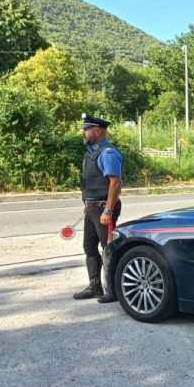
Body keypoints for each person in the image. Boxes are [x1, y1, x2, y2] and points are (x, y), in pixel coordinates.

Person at [73, 113, 123, 303]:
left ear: (98, 130)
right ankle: (95, 287)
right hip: (92, 208)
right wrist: (88, 205)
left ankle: (113, 290)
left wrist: (108, 210)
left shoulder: (108, 153)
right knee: (89, 247)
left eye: (86, 130)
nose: (83, 133)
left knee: (108, 248)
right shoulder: (92, 152)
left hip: (104, 208)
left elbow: (115, 182)